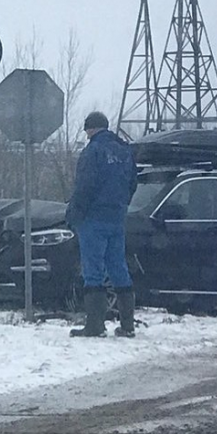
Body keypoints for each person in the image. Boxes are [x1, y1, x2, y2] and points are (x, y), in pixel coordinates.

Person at [66, 111, 138, 337]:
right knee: (118, 267)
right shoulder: (125, 151)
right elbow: (133, 183)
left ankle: (95, 325)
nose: (86, 134)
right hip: (116, 217)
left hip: (93, 218)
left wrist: (74, 214)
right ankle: (127, 324)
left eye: (87, 129)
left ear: (91, 128)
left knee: (93, 270)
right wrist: (120, 205)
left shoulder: (93, 151)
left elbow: (84, 187)